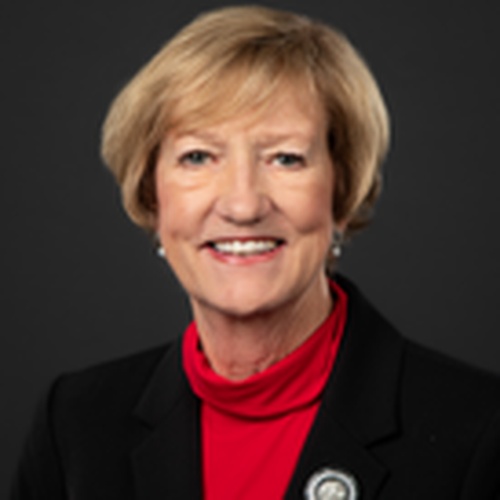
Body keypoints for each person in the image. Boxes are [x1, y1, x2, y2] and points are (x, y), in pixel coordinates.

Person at [12, 5, 500, 500]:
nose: (243, 205)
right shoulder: (74, 426)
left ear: (341, 193)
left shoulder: (481, 432)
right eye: (198, 157)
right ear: (152, 197)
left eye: (285, 158)